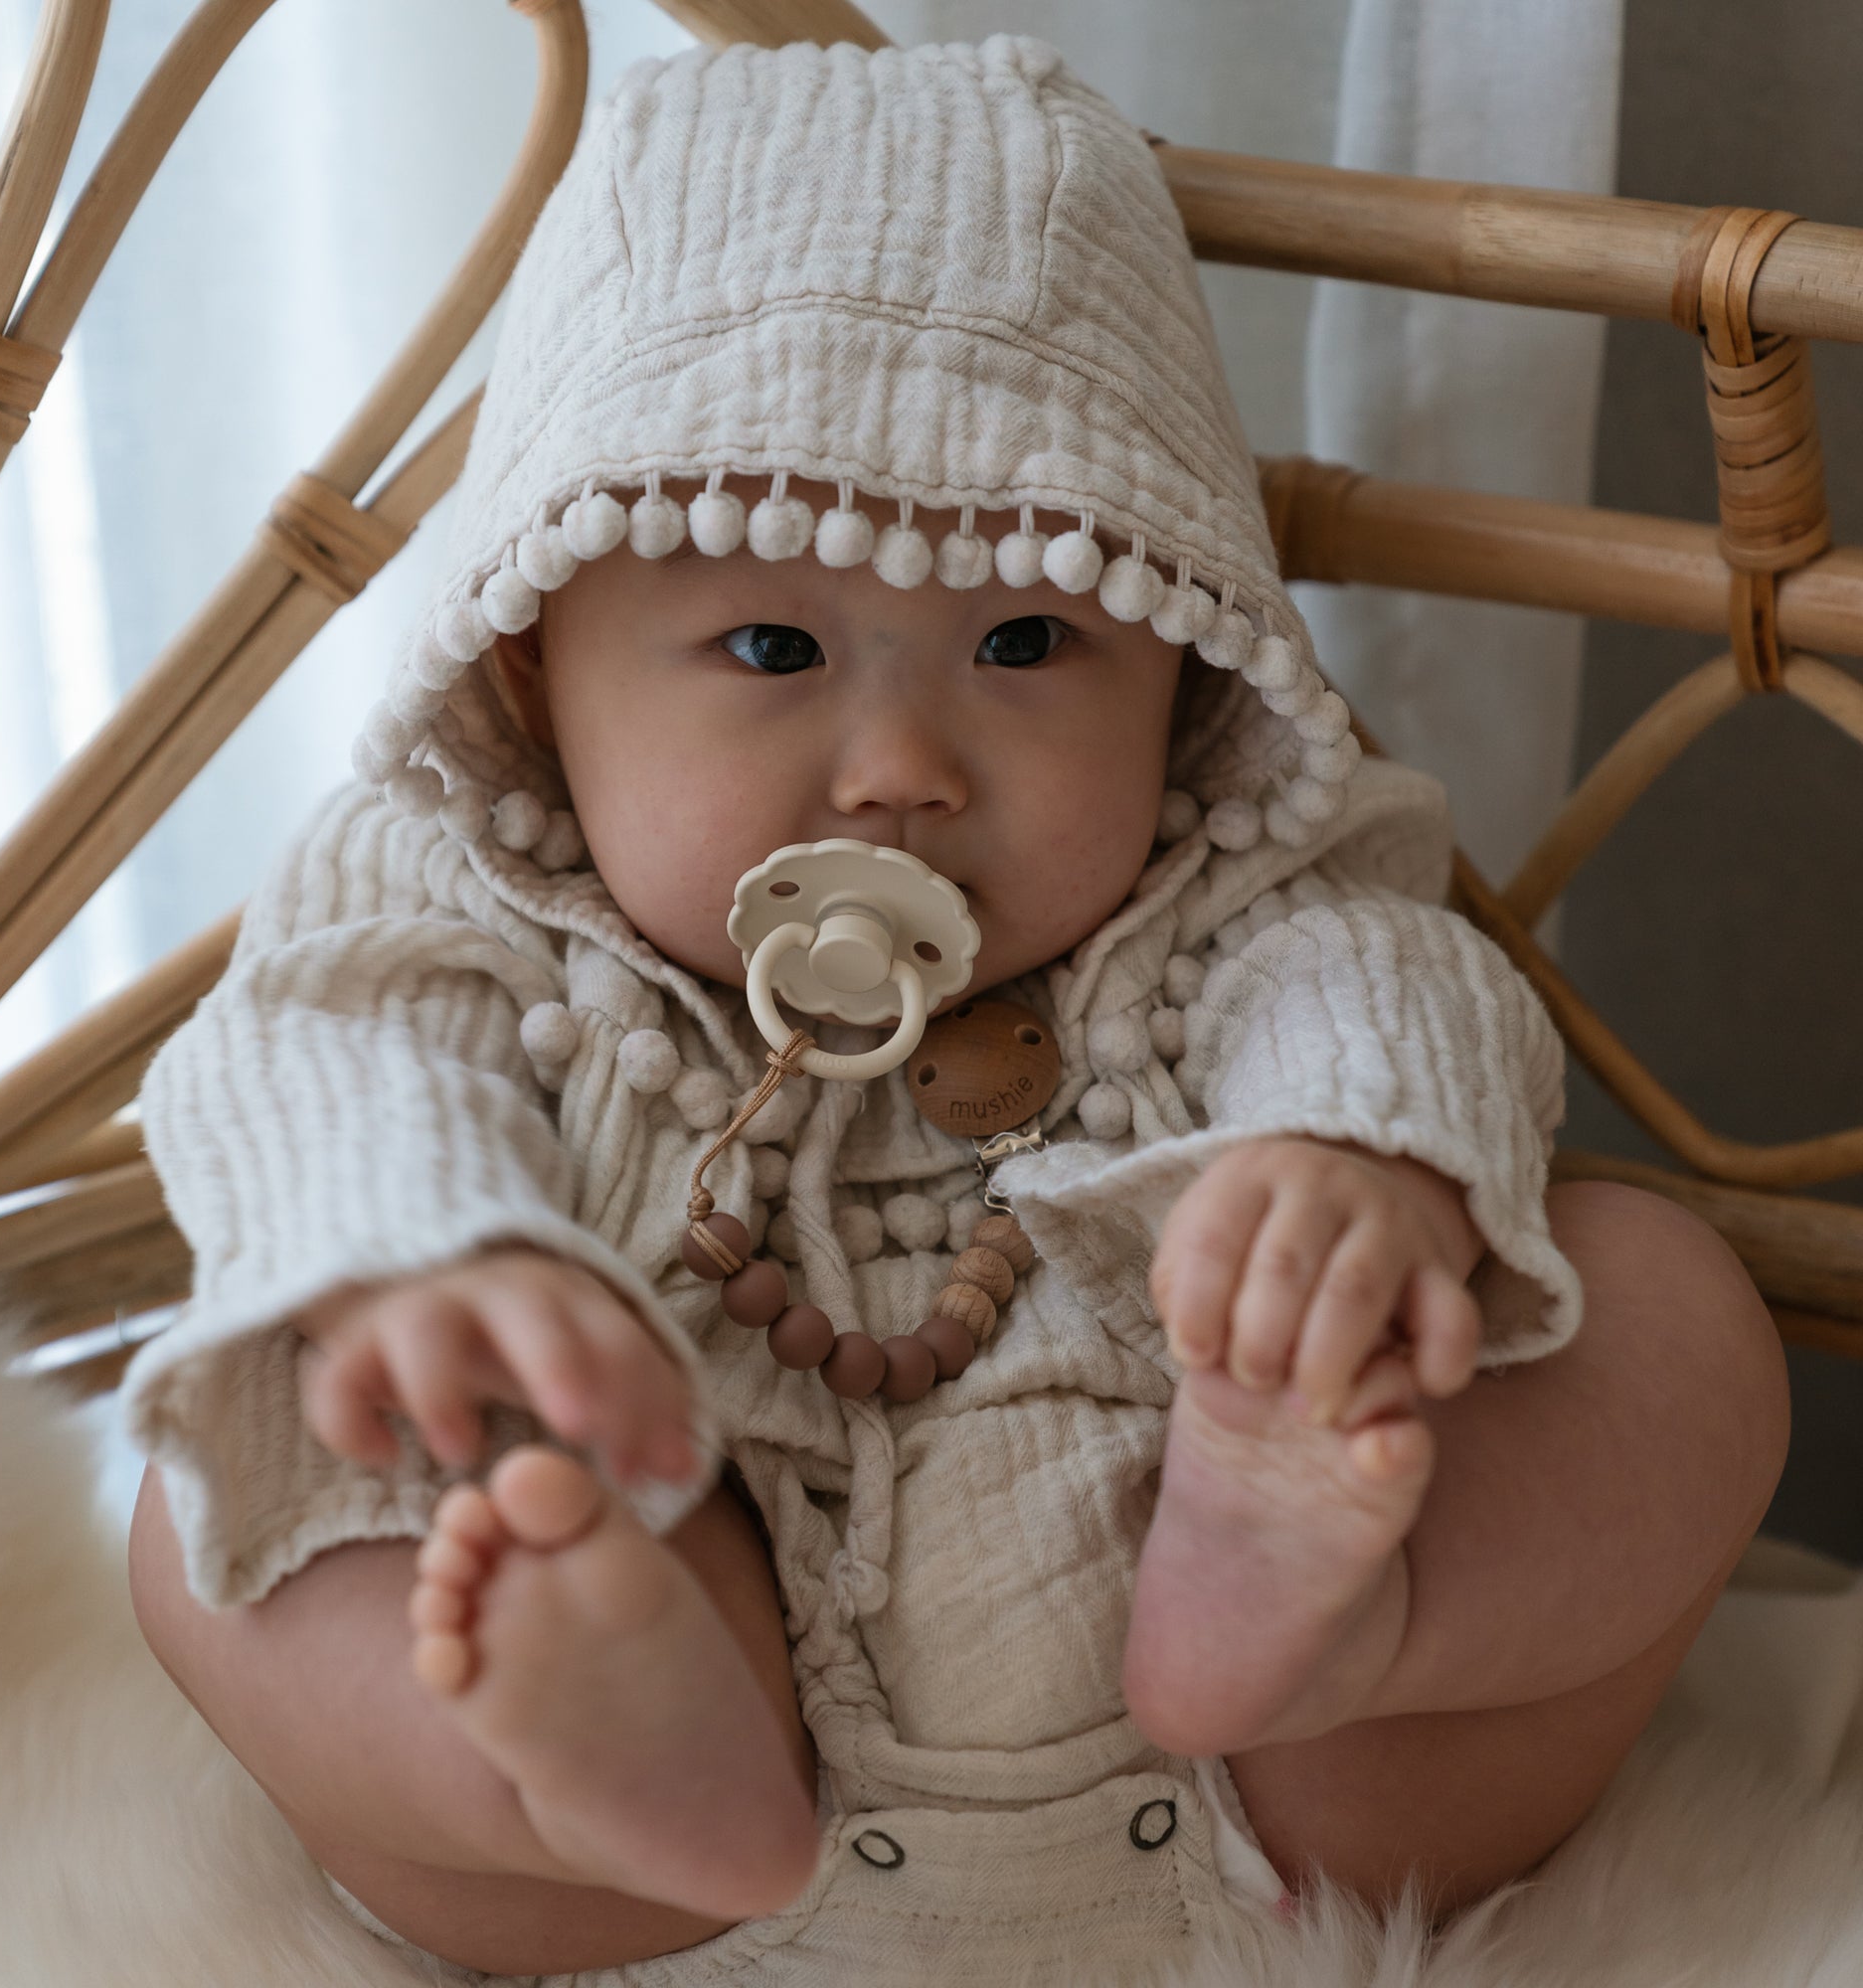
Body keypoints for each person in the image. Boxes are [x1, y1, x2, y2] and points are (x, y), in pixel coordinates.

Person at [120, 35, 1788, 1985]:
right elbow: (315, 1047)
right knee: (209, 1501)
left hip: (1297, 1810)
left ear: (1180, 649)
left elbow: (1385, 969)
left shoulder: (1230, 866)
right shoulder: (462, 893)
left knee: (1668, 1313)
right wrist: (426, 1266)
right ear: (529, 660)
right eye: (770, 644)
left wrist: (1361, 1169)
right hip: (646, 1851)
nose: (901, 763)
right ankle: (610, 1732)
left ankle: (1347, 1606)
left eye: (1025, 639)